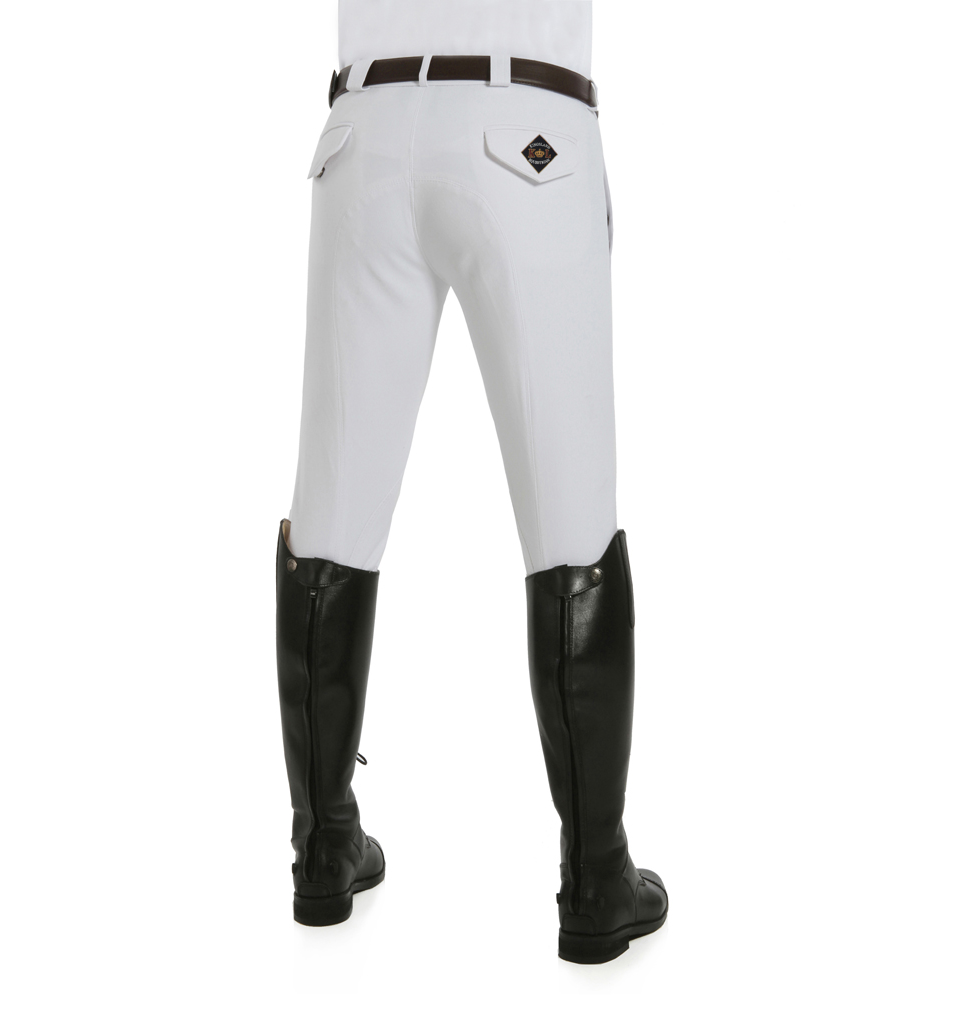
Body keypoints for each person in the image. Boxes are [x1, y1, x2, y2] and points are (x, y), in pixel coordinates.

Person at [274, 0, 668, 964]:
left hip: (362, 133)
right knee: (571, 522)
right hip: (524, 125)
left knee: (330, 517)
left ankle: (323, 849)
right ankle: (595, 877)